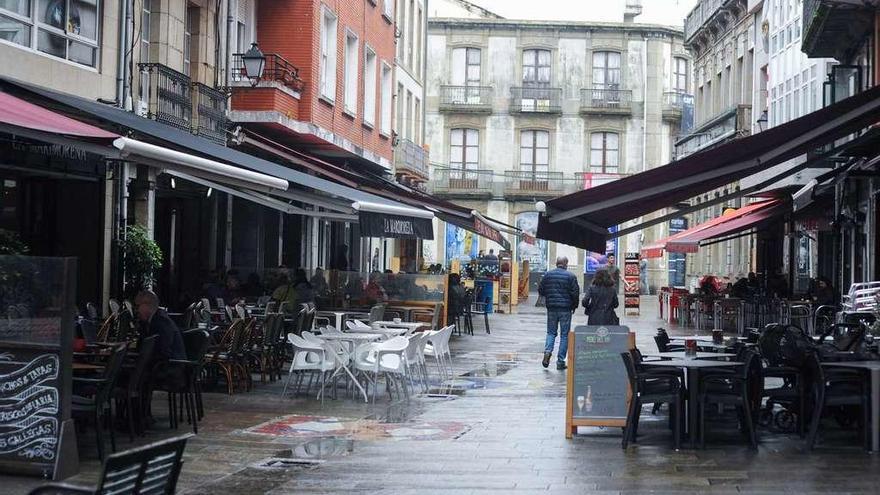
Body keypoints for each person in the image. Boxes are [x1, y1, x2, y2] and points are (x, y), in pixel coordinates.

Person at [538, 256, 580, 370]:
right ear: (566, 264)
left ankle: (547, 352)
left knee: (551, 332)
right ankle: (560, 361)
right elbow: (575, 293)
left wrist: (549, 297)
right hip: (565, 309)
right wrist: (574, 306)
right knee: (564, 335)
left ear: (556, 263)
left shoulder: (547, 275)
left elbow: (541, 290)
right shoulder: (571, 276)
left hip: (551, 307)